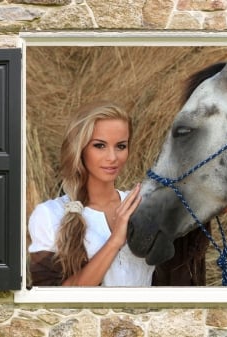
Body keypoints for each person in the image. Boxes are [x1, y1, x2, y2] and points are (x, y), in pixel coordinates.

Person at [28, 101, 155, 286]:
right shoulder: (49, 215)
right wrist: (115, 241)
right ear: (79, 148)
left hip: (149, 316)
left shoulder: (141, 204)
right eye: (100, 146)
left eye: (120, 146)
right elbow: (55, 300)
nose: (112, 157)